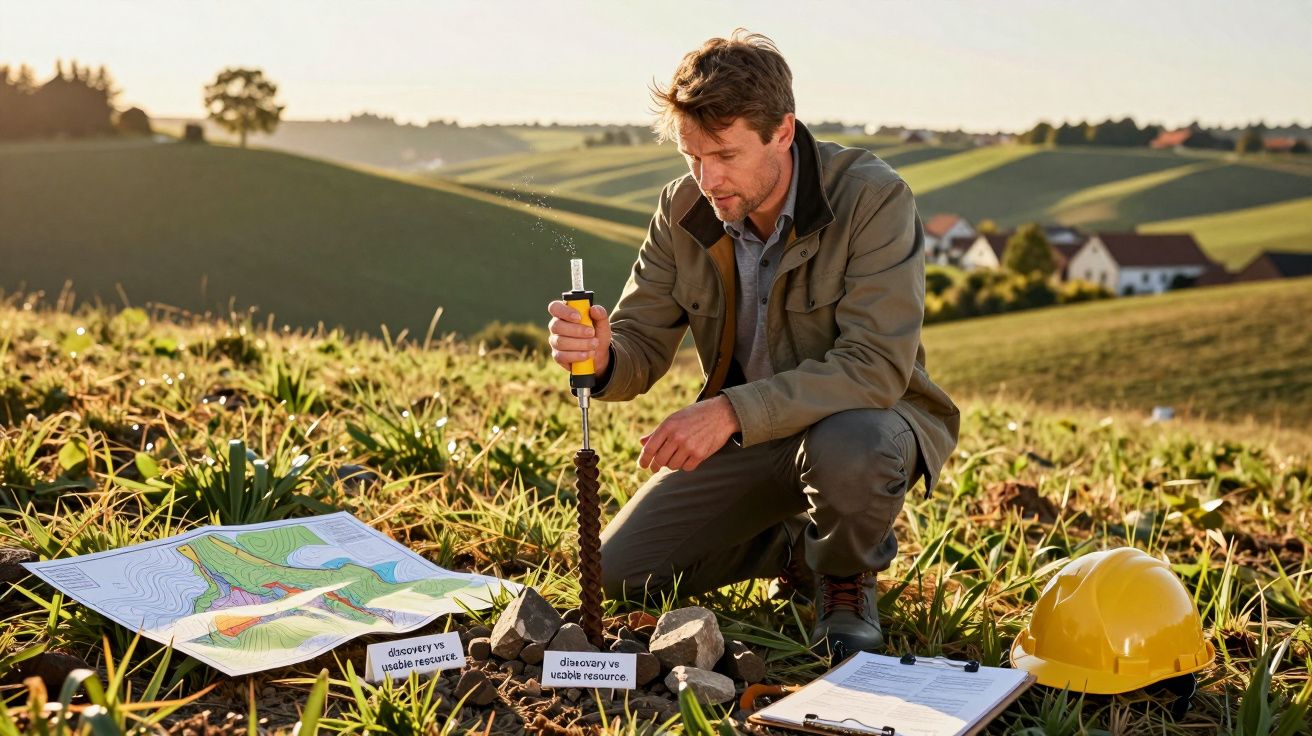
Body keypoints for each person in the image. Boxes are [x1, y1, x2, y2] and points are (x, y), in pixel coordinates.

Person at [545, 30, 959, 658]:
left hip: (864, 423)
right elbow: (639, 342)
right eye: (692, 155)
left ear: (782, 132)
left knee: (852, 443)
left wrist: (728, 411)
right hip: (753, 438)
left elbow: (875, 367)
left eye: (725, 154)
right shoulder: (683, 208)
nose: (707, 178)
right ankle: (794, 547)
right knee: (622, 575)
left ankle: (843, 578)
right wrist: (604, 356)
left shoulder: (872, 198)